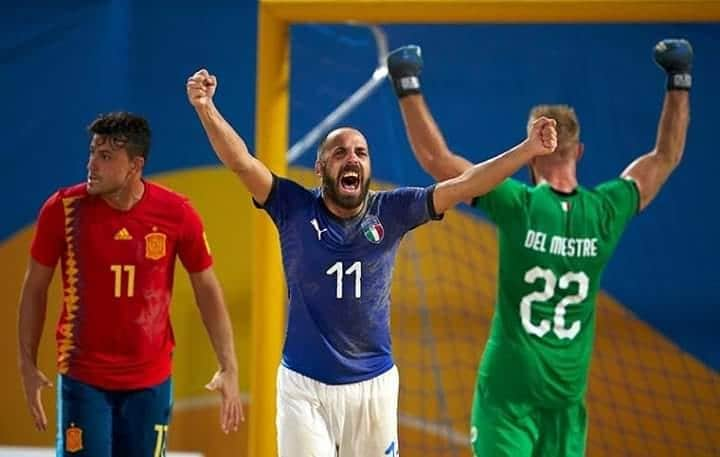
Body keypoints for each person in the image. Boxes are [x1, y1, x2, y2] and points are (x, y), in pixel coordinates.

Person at [186, 68, 557, 456]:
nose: (352, 159)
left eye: (361, 153)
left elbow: (465, 185)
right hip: (303, 389)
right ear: (320, 169)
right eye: (340, 153)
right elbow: (242, 162)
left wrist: (528, 149)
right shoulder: (292, 206)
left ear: (368, 168)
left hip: (373, 388)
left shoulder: (392, 211)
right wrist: (205, 107)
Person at [386, 38, 692, 457]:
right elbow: (665, 157)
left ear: (533, 156)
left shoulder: (518, 204)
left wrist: (407, 83)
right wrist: (680, 78)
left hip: (509, 395)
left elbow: (438, 160)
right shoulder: (608, 210)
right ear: (579, 151)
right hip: (566, 402)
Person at [17, 112, 244, 457]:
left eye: (106, 157)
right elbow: (34, 288)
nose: (92, 164)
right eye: (92, 152)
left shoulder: (177, 213)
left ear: (135, 166)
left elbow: (207, 290)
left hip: (150, 382)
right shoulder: (62, 210)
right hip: (83, 378)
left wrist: (229, 367)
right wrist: (27, 365)